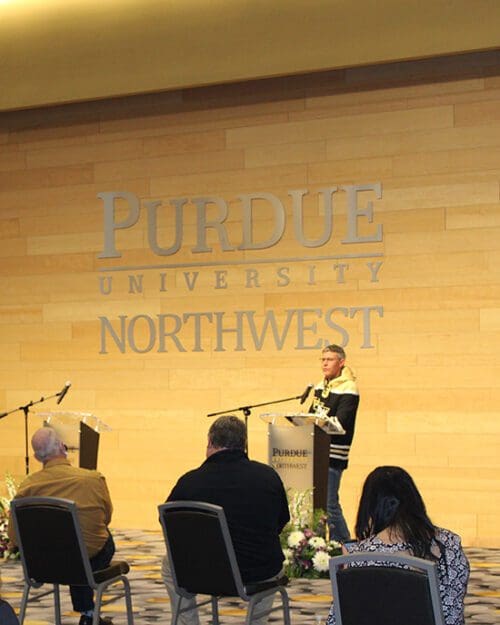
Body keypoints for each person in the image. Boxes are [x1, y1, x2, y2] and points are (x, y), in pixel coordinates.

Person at [162, 415, 290, 625]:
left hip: (202, 573)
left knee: (169, 564)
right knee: (274, 566)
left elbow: (169, 528)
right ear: (244, 445)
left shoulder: (189, 482)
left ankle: (189, 622)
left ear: (210, 443)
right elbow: (280, 522)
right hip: (257, 572)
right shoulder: (268, 477)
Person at [326, 466, 470, 625]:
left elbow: (338, 619)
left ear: (371, 506)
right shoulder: (450, 545)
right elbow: (453, 614)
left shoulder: (360, 557)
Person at [8, 427, 114, 625]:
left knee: (71, 546)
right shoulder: (92, 480)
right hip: (86, 561)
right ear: (62, 447)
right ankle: (89, 615)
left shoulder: (27, 488)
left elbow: (14, 536)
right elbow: (105, 518)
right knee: (89, 543)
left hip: (42, 565)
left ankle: (88, 613)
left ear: (37, 457)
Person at [310, 344, 359, 542]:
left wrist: (317, 422)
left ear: (341, 362)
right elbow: (311, 415)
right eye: (322, 359)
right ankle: (319, 543)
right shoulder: (320, 386)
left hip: (334, 452)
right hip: (316, 452)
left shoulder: (349, 388)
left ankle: (344, 542)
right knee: (318, 504)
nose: (324, 363)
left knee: (330, 503)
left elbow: (342, 421)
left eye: (329, 359)